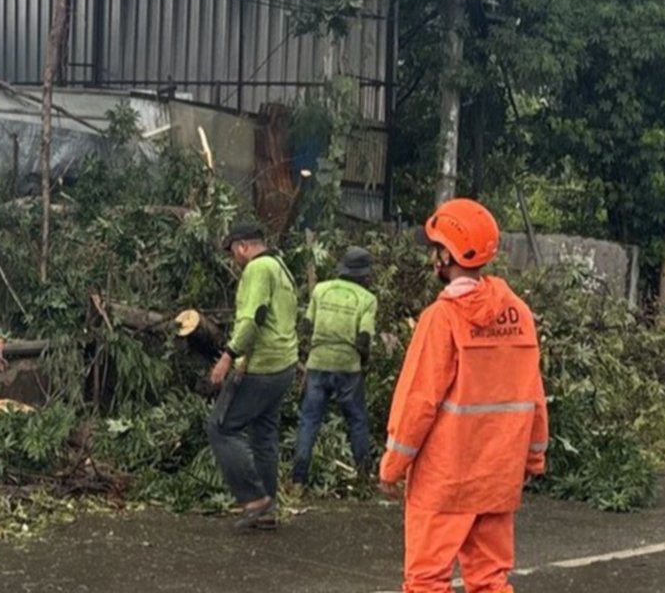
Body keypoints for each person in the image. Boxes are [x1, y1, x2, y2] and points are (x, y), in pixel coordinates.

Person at [380, 198, 549, 593]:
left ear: (447, 254)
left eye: (437, 248)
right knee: (490, 581)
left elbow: (418, 401)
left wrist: (394, 464)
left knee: (426, 581)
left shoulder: (441, 319)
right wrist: (534, 456)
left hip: (445, 480)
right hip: (498, 476)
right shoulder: (518, 314)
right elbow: (533, 396)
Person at [206, 222, 299, 530]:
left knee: (221, 427)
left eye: (234, 252)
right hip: (284, 364)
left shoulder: (258, 270)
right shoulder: (281, 267)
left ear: (243, 246)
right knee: (263, 435)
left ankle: (253, 498)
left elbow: (253, 319)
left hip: (262, 367)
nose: (235, 259)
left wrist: (228, 356)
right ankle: (267, 509)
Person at [289, 246, 378, 490]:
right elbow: (363, 340)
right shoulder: (367, 299)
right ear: (363, 275)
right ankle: (363, 477)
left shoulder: (320, 290)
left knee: (309, 421)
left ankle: (298, 480)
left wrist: (305, 356)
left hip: (318, 363)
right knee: (357, 420)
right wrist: (364, 363)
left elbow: (305, 326)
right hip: (348, 366)